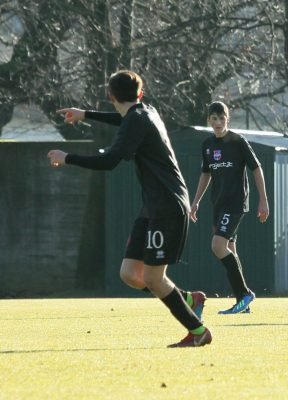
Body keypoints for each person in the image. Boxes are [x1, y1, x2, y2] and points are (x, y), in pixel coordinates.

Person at [48, 70, 211, 347]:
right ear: (140, 94)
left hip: (167, 206)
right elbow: (122, 118)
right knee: (130, 274)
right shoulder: (144, 112)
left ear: (110, 95)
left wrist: (68, 158)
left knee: (152, 278)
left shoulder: (138, 119)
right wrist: (85, 114)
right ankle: (187, 299)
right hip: (154, 206)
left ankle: (199, 333)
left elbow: (110, 161)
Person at [190, 101, 269, 314]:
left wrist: (263, 199)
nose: (217, 122)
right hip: (218, 204)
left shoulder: (238, 141)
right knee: (230, 250)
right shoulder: (207, 145)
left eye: (221, 118)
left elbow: (256, 168)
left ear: (227, 119)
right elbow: (206, 174)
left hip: (235, 203)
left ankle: (244, 294)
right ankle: (242, 304)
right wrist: (195, 201)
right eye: (213, 119)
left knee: (217, 246)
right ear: (209, 120)